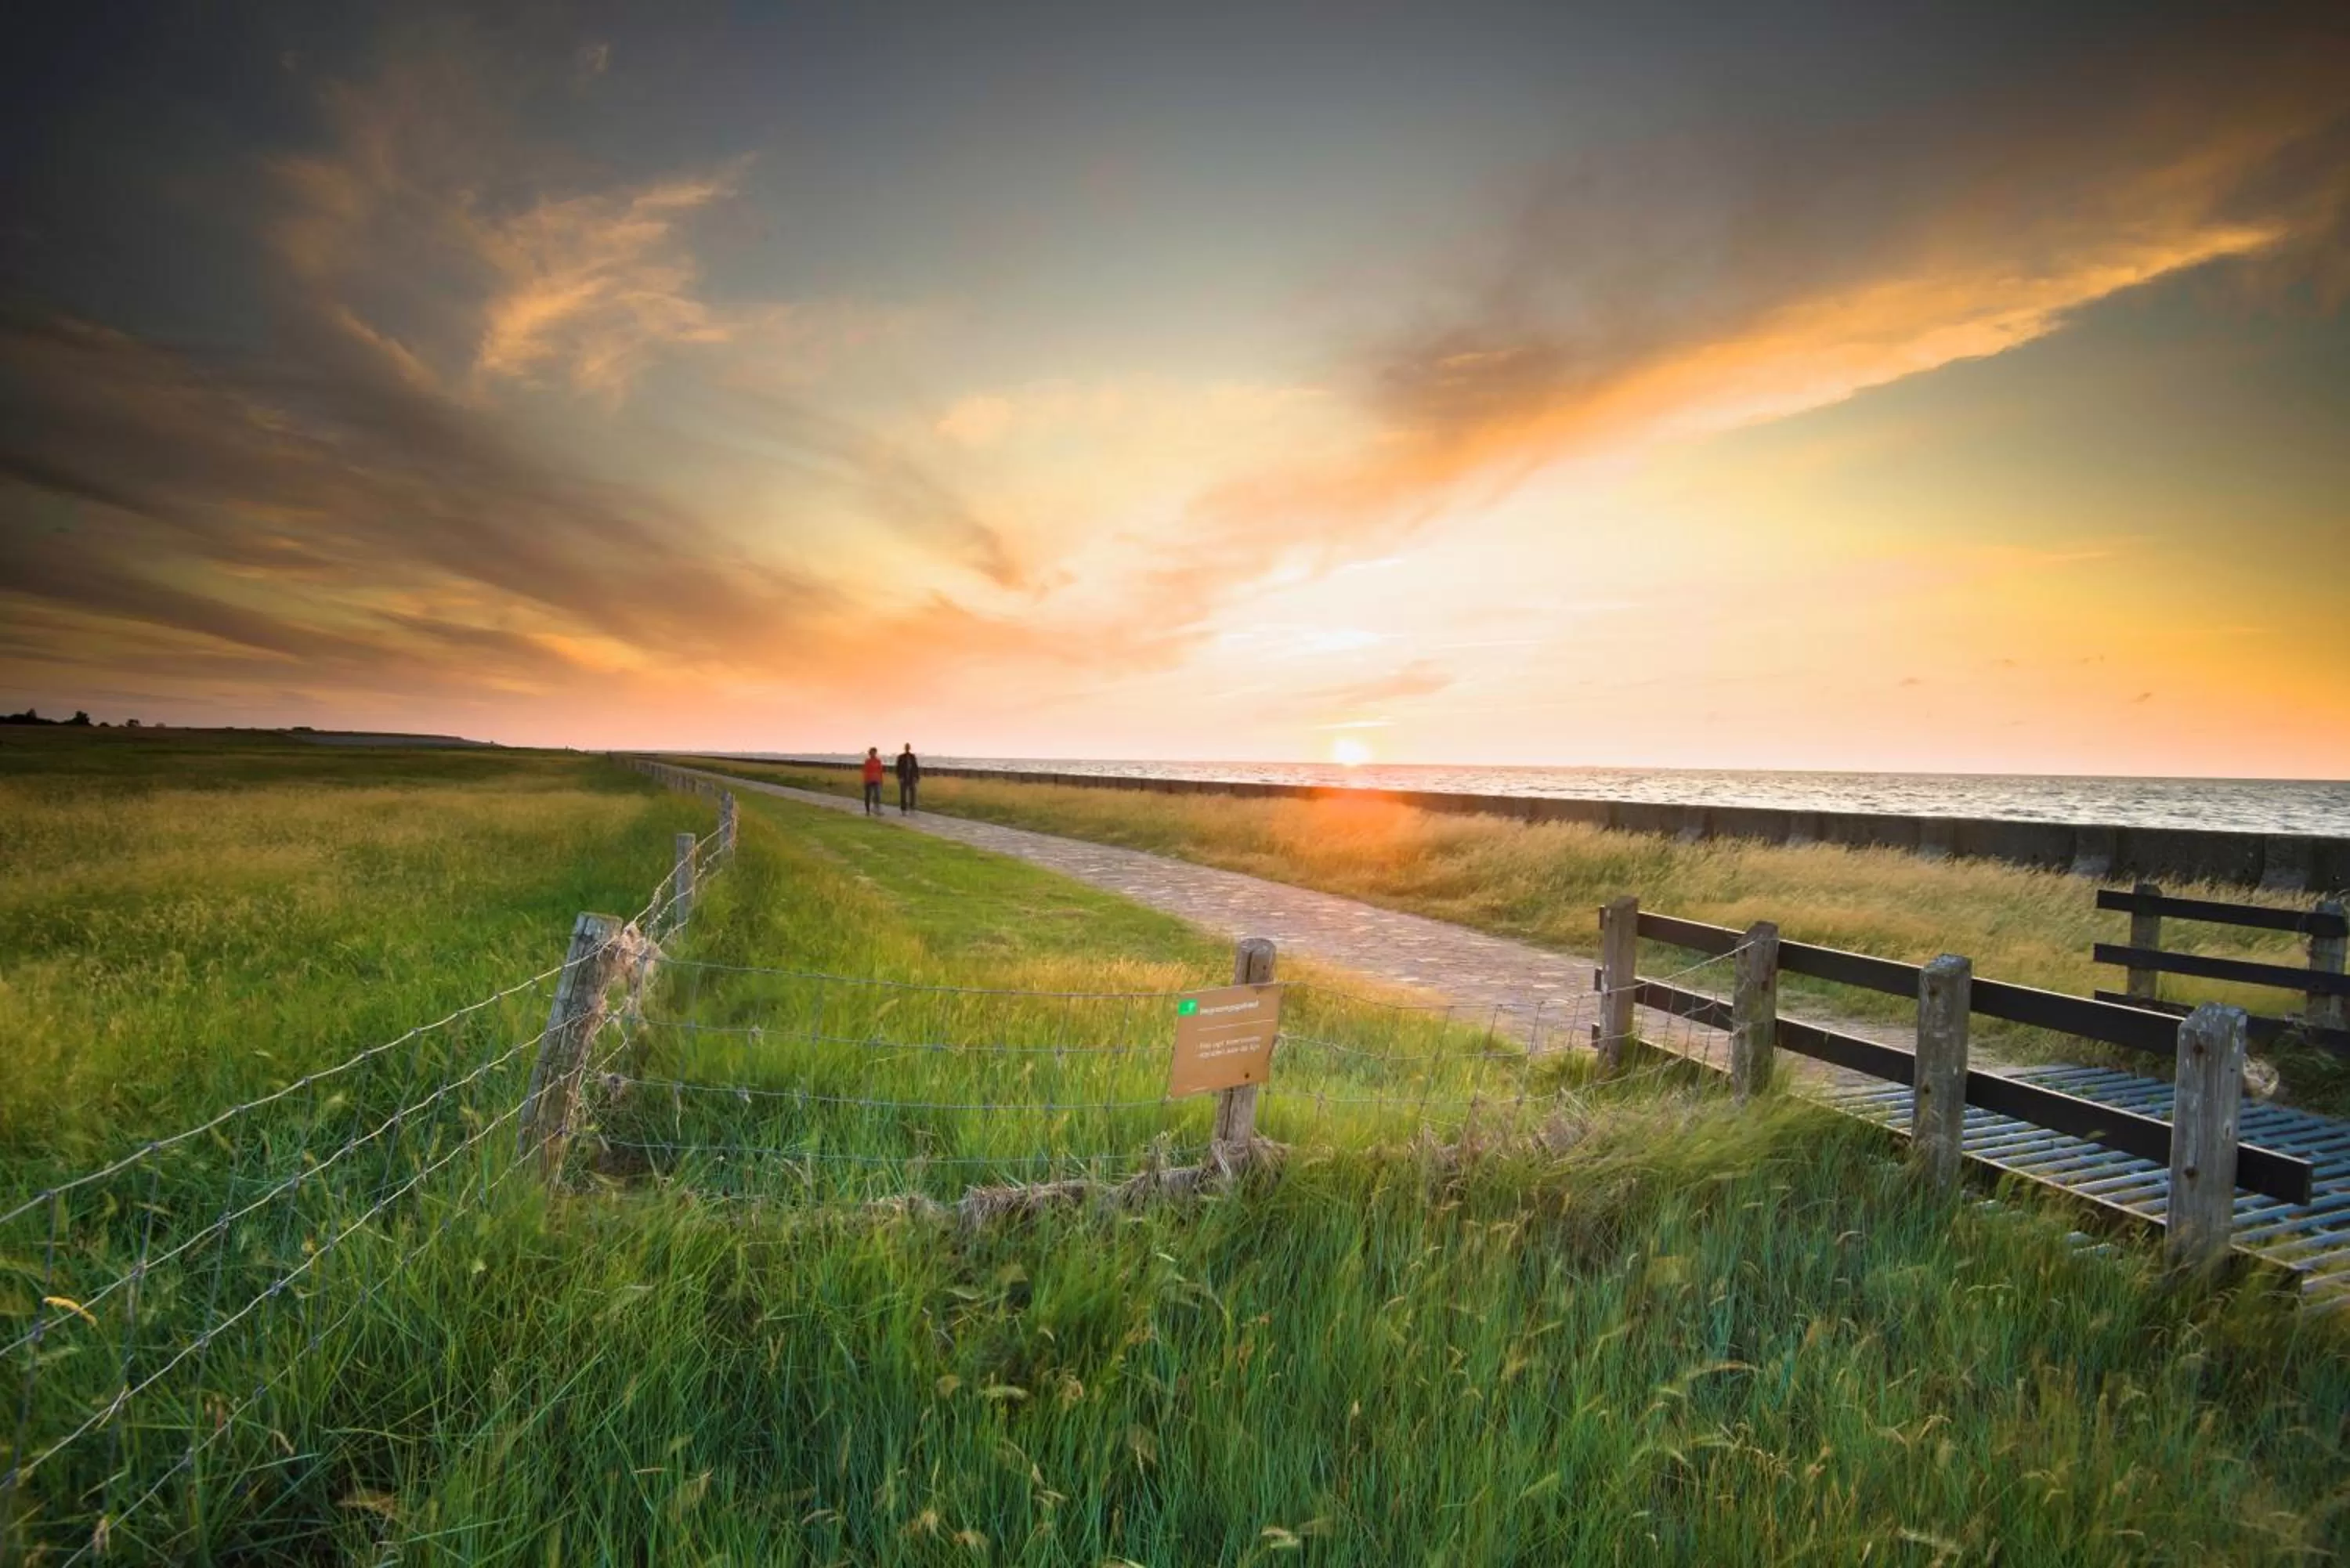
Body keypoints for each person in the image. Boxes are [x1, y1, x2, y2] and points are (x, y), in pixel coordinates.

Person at [895, 742, 920, 814]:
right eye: (906, 747)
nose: (907, 748)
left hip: (911, 777)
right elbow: (898, 768)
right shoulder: (901, 757)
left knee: (913, 792)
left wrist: (916, 777)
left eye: (908, 747)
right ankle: (903, 808)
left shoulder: (912, 757)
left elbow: (916, 767)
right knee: (903, 793)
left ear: (910, 748)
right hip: (904, 777)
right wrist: (900, 777)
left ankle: (912, 806)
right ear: (905, 748)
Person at [860, 746, 884, 815]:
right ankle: (867, 811)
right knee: (868, 795)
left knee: (878, 795)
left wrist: (881, 780)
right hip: (869, 780)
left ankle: (877, 809)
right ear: (870, 753)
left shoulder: (878, 761)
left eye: (874, 752)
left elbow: (880, 771)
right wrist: (865, 781)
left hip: (877, 780)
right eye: (871, 753)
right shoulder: (867, 761)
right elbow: (865, 771)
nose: (873, 754)